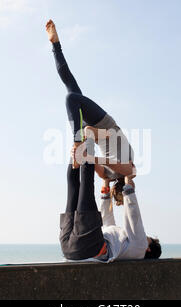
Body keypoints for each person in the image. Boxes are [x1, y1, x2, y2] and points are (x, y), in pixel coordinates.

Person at [46, 19, 135, 189]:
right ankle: (56, 45)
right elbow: (110, 136)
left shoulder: (106, 175)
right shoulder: (129, 170)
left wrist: (79, 153)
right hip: (105, 127)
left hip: (93, 132)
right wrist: (81, 147)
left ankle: (56, 45)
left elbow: (90, 160)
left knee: (70, 89)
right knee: (71, 94)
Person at [59, 142, 161, 262]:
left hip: (88, 245)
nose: (147, 237)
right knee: (74, 188)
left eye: (150, 239)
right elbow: (107, 222)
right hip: (69, 249)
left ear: (149, 248)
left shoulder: (141, 246)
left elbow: (134, 218)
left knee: (85, 183)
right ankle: (77, 146)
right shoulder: (123, 247)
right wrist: (106, 185)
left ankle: (86, 140)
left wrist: (129, 188)